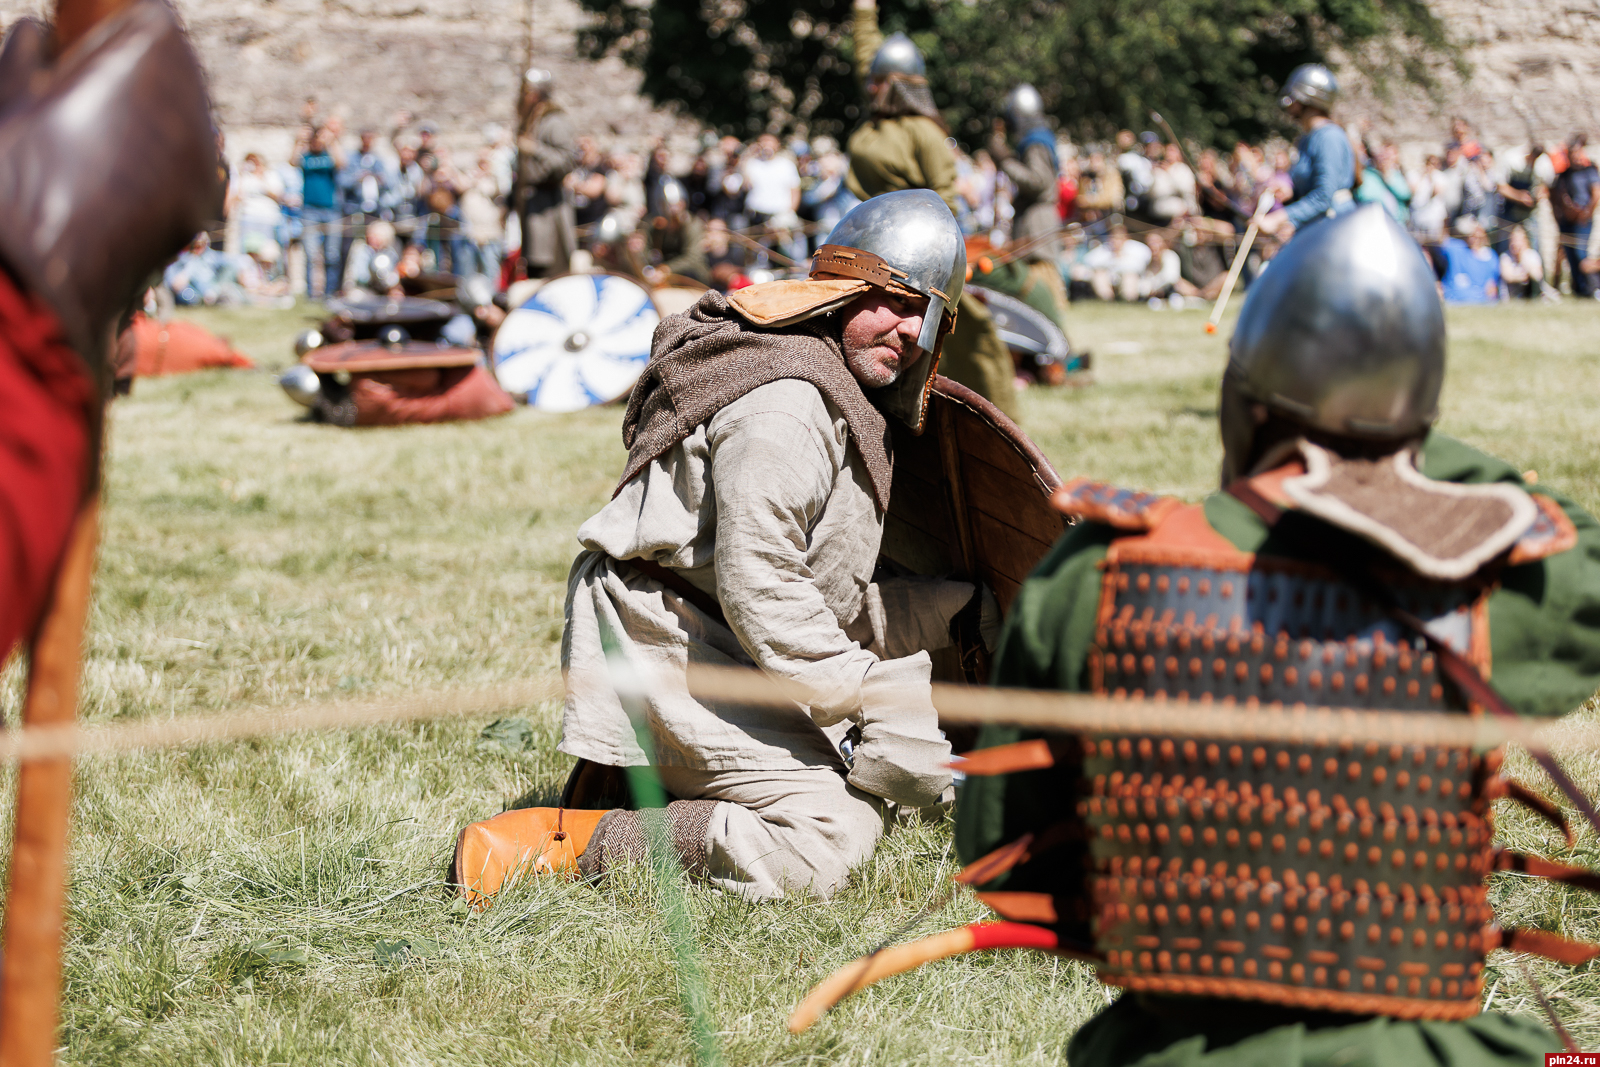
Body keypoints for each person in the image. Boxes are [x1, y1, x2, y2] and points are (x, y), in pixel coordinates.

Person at [957, 204, 1600, 1067]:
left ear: (1243, 404)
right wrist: (1399, 437)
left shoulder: (1094, 573)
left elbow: (1001, 854)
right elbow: (1580, 553)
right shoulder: (1489, 585)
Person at [453, 190, 988, 903]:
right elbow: (762, 584)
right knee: (832, 832)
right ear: (843, 288)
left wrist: (959, 608)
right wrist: (869, 699)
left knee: (873, 785)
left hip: (724, 637)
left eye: (929, 317)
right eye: (895, 301)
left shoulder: (833, 384)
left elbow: (820, 590)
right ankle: (565, 843)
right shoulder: (789, 405)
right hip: (668, 645)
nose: (910, 331)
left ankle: (654, 783)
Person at [845, 0, 1018, 418]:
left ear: (894, 85)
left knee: (945, 337)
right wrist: (864, 11)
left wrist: (933, 264)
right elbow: (868, 59)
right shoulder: (876, 125)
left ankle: (985, 417)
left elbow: (945, 200)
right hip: (865, 245)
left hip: (911, 253)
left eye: (878, 82)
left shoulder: (923, 131)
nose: (870, 87)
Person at [989, 84, 1068, 320]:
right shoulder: (1037, 139)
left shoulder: (1036, 142)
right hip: (1033, 216)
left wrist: (1006, 161)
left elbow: (1038, 182)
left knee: (1041, 275)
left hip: (1037, 219)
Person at [1258, 64, 1356, 242]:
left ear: (1307, 100)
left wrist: (1279, 218)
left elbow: (1324, 196)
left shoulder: (1329, 137)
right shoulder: (1306, 139)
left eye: (1294, 97)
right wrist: (1289, 191)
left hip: (1335, 232)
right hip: (1316, 229)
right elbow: (1306, 188)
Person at [513, 68, 577, 279]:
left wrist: (535, 149)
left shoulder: (554, 122)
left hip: (550, 213)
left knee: (553, 275)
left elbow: (566, 162)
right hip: (532, 211)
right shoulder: (531, 122)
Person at [293, 124, 346, 297]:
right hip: (309, 209)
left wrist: (331, 140)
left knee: (332, 254)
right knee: (310, 253)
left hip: (331, 209)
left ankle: (329, 292)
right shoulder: (306, 157)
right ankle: (311, 294)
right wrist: (298, 140)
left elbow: (342, 163)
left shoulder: (329, 156)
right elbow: (292, 161)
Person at [1551, 135, 1598, 298]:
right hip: (1567, 220)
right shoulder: (1563, 175)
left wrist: (1585, 213)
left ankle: (1590, 288)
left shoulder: (1589, 171)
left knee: (1580, 253)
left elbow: (1596, 194)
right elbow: (1556, 196)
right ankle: (1579, 289)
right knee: (1570, 255)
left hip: (1582, 220)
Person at [1074, 225, 1150, 302]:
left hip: (1129, 278)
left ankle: (1129, 300)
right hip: (1109, 278)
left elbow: (1139, 266)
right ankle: (1107, 300)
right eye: (1113, 238)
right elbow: (1089, 261)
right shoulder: (1104, 249)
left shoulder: (1137, 249)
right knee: (1099, 274)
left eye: (1119, 238)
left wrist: (1120, 260)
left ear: (1125, 238)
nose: (1116, 241)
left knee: (1130, 276)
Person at [1438, 219, 1502, 304]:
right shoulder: (1457, 249)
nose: (1474, 239)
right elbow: (1442, 240)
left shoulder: (1490, 257)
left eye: (1478, 236)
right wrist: (1445, 220)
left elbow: (1491, 285)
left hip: (1479, 300)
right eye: (1472, 235)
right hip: (1453, 298)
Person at [1499, 224, 1544, 299]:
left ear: (1525, 240)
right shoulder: (1505, 257)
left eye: (1518, 240)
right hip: (1512, 296)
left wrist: (1523, 256)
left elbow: (1538, 276)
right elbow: (1507, 276)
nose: (1514, 243)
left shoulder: (1532, 255)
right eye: (1513, 239)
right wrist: (1521, 277)